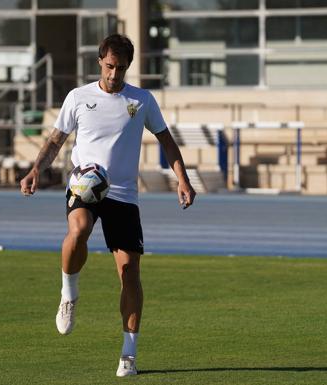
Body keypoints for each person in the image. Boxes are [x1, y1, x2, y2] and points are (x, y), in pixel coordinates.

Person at [19, 33, 196, 377]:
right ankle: (69, 293)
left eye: (122, 68)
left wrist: (183, 179)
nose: (115, 75)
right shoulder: (78, 97)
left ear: (128, 67)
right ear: (100, 61)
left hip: (123, 195)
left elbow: (167, 142)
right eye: (110, 66)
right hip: (84, 185)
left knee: (129, 273)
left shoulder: (142, 100)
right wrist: (35, 170)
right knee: (79, 229)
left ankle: (128, 353)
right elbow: (56, 139)